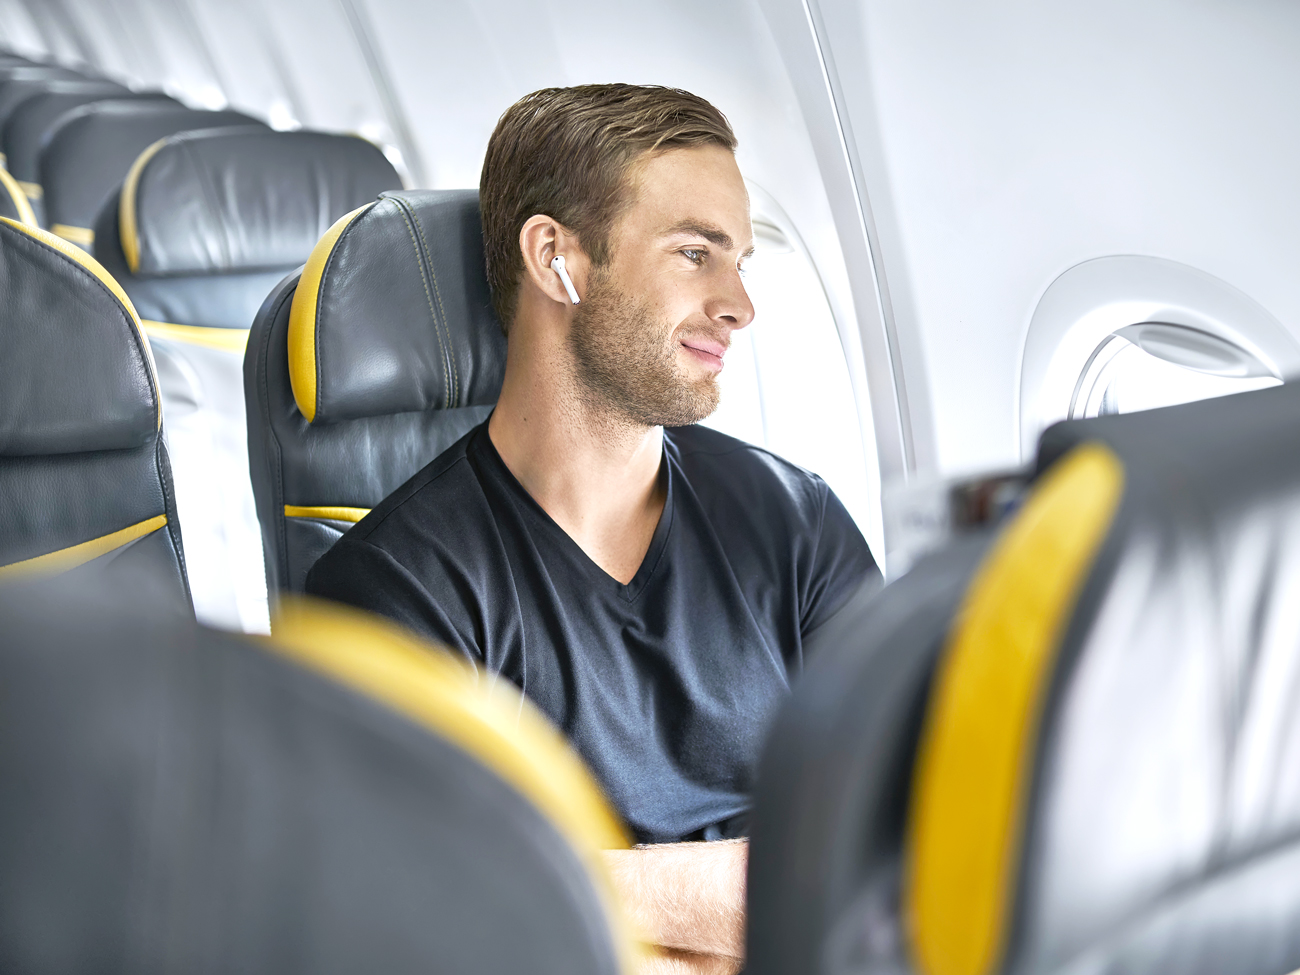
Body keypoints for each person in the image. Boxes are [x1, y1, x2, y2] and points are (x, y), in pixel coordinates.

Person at [306, 84, 880, 974]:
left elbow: (895, 847)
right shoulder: (392, 593)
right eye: (696, 254)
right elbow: (435, 922)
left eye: (742, 263)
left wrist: (586, 885)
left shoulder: (796, 522)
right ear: (556, 259)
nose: (740, 306)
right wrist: (757, 896)